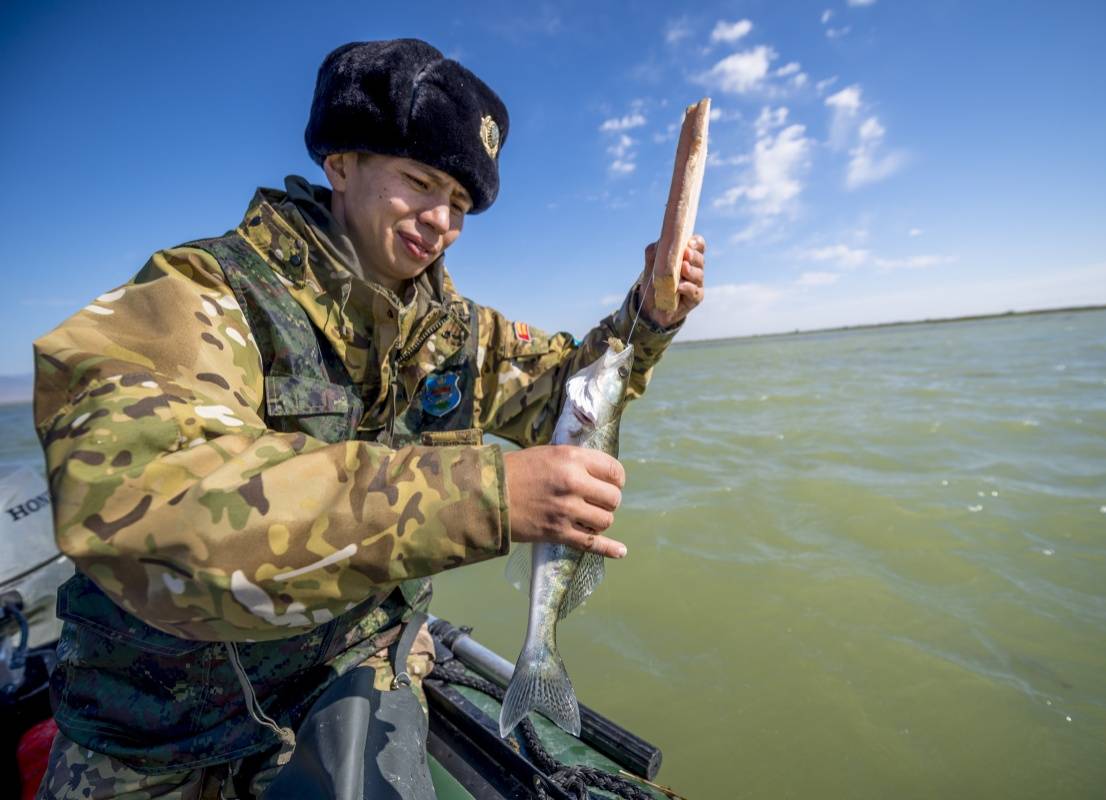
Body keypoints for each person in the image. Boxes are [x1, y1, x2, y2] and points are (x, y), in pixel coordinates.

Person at [30, 38, 706, 799]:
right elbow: (143, 504)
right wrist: (484, 496)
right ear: (341, 163)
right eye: (421, 182)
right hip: (155, 734)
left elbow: (571, 393)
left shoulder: (455, 333)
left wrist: (649, 316)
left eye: (461, 203)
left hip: (352, 674)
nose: (442, 220)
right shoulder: (198, 296)